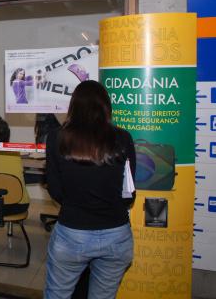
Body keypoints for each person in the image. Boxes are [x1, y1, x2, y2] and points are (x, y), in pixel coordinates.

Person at [43, 80, 136, 299]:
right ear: (106, 107)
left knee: (57, 295)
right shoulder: (123, 138)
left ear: (73, 106)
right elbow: (129, 193)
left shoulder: (56, 137)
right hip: (116, 234)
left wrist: (76, 203)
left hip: (72, 232)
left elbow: (55, 190)